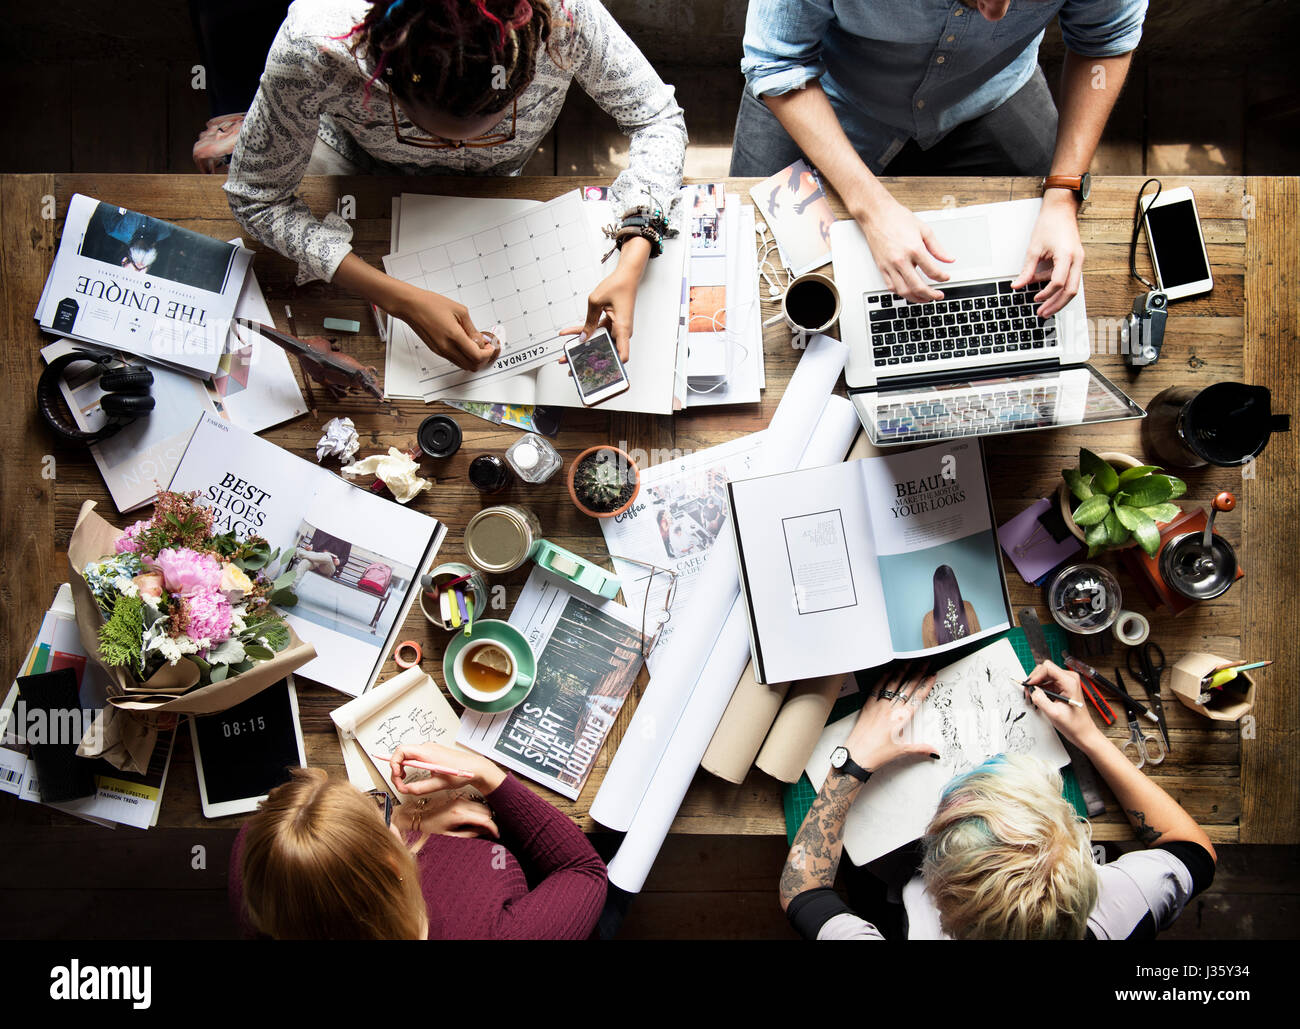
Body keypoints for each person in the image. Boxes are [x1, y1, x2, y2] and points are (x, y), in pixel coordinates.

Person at [224, 0, 686, 371]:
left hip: (497, 188)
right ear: (383, 80)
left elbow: (657, 118)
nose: (448, 149)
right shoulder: (313, 46)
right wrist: (396, 297)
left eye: (493, 126)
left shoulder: (568, 18)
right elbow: (255, 197)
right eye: (428, 131)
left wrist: (634, 253)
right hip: (356, 172)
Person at [730, 0, 1148, 316]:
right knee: (748, 278)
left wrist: (1063, 191)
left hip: (988, 95)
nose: (996, 13)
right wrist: (873, 210)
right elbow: (778, 61)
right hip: (819, 93)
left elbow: (1104, 44)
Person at [779, 662, 1216, 939]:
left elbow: (802, 891)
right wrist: (1089, 737)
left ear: (940, 898)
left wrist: (850, 765)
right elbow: (1193, 850)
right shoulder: (1122, 906)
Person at [230, 742, 608, 939]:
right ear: (396, 862)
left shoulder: (262, 860)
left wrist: (414, 818)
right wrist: (486, 774)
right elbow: (584, 871)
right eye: (380, 816)